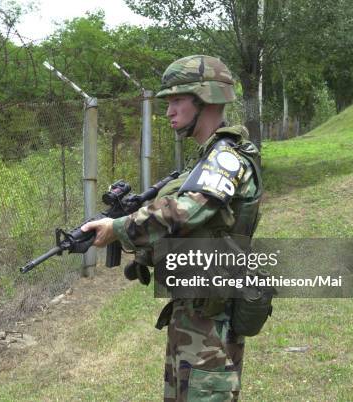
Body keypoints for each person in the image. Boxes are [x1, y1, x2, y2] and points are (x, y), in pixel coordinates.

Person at [81, 55, 263, 401]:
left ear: (206, 98)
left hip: (212, 319)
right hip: (194, 312)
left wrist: (119, 228)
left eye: (177, 100)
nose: (169, 112)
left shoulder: (225, 160)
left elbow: (184, 211)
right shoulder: (206, 158)